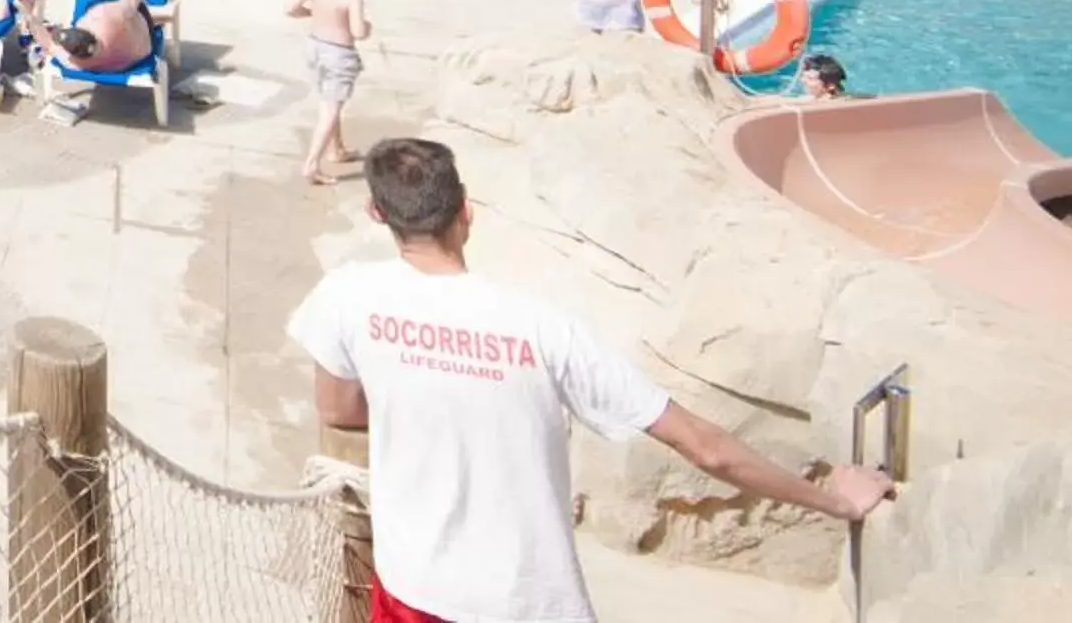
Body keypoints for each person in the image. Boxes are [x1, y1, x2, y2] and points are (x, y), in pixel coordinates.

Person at [287, 139, 890, 623]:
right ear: (466, 209)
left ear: (376, 213)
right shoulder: (544, 329)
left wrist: (419, 397)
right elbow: (704, 447)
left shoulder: (348, 295)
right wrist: (835, 500)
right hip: (527, 602)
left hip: (412, 591)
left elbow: (337, 409)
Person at [287, 0, 371, 186]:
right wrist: (367, 27)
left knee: (327, 98)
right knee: (331, 108)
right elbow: (358, 32)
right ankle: (312, 164)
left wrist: (312, 12)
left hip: (315, 47)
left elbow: (290, 8)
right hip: (339, 54)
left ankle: (337, 149)